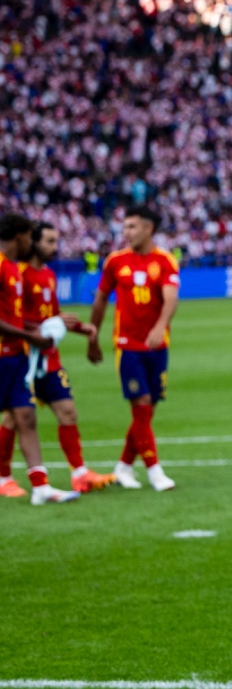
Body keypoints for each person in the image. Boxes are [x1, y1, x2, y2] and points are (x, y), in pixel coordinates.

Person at [2, 221, 114, 494]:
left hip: (47, 356)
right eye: (48, 241)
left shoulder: (49, 276)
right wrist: (38, 331)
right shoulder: (20, 272)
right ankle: (4, 477)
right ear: (31, 241)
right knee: (14, 418)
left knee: (67, 411)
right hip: (24, 355)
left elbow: (54, 318)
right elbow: (17, 318)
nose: (54, 247)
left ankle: (79, 473)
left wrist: (83, 328)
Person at [86, 205, 180, 492]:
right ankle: (155, 472)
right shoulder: (115, 262)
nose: (125, 232)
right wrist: (93, 336)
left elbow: (170, 299)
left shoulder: (165, 261)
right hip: (127, 345)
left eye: (131, 226)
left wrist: (159, 327)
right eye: (124, 227)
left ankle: (124, 467)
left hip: (157, 345)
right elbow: (101, 298)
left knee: (147, 410)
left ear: (148, 228)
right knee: (140, 406)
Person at [0, 213, 80, 504]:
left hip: (16, 357)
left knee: (26, 416)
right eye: (30, 237)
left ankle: (40, 486)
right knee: (16, 417)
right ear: (21, 236)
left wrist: (39, 331)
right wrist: (29, 336)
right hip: (5, 355)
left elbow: (14, 317)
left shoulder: (11, 268)